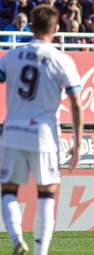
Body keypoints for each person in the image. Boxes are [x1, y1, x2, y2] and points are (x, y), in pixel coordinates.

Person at [0, 4, 83, 255]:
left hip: (13, 131)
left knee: (8, 190)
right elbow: (76, 103)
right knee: (46, 194)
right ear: (56, 29)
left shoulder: (11, 56)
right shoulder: (62, 60)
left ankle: (16, 239)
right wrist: (78, 143)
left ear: (31, 27)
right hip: (45, 135)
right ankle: (40, 252)